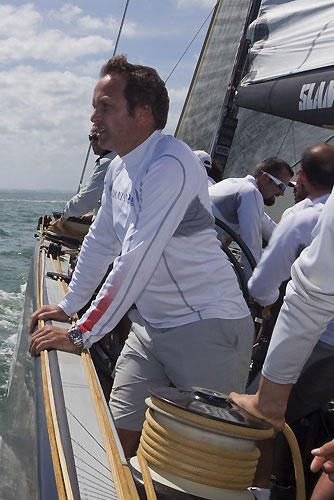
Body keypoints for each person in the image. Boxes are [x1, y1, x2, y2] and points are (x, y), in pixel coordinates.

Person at [29, 55, 253, 458]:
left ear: (143, 113)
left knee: (197, 461)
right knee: (116, 440)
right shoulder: (119, 169)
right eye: (95, 105)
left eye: (106, 106)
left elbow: (136, 258)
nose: (93, 116)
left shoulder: (171, 163)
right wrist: (67, 305)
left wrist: (81, 334)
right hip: (150, 328)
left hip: (207, 329)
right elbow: (100, 243)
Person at [230, 185, 334, 497]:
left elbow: (307, 289)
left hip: (313, 343)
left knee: (254, 422)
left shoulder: (301, 216)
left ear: (301, 180)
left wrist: (269, 400)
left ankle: (253, 490)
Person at [209, 158, 294, 279]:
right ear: (265, 178)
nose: (282, 193)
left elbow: (270, 228)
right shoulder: (250, 192)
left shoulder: (238, 185)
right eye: (281, 186)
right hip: (193, 252)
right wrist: (254, 290)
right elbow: (251, 246)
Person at [55, 125, 116, 232]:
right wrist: (94, 215)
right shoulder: (118, 158)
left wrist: (64, 217)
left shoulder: (107, 163)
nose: (92, 142)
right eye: (90, 138)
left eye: (96, 138)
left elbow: (87, 198)